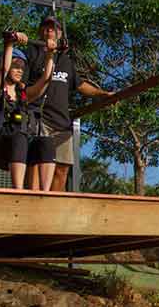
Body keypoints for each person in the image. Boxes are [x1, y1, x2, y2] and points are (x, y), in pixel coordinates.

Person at [24, 16, 114, 191]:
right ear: (40, 31)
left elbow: (79, 85)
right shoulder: (32, 53)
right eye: (46, 27)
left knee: (62, 169)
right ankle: (32, 205)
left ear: (60, 33)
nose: (50, 30)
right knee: (37, 163)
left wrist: (101, 94)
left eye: (54, 28)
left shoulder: (65, 61)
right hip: (40, 118)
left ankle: (54, 208)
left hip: (62, 122)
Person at [0, 33, 57, 189]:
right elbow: (3, 69)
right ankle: (18, 190)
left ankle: (46, 194)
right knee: (20, 136)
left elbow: (45, 81)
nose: (20, 71)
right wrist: (9, 44)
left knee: (46, 142)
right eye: (16, 67)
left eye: (22, 68)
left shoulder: (23, 94)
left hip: (19, 148)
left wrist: (50, 55)